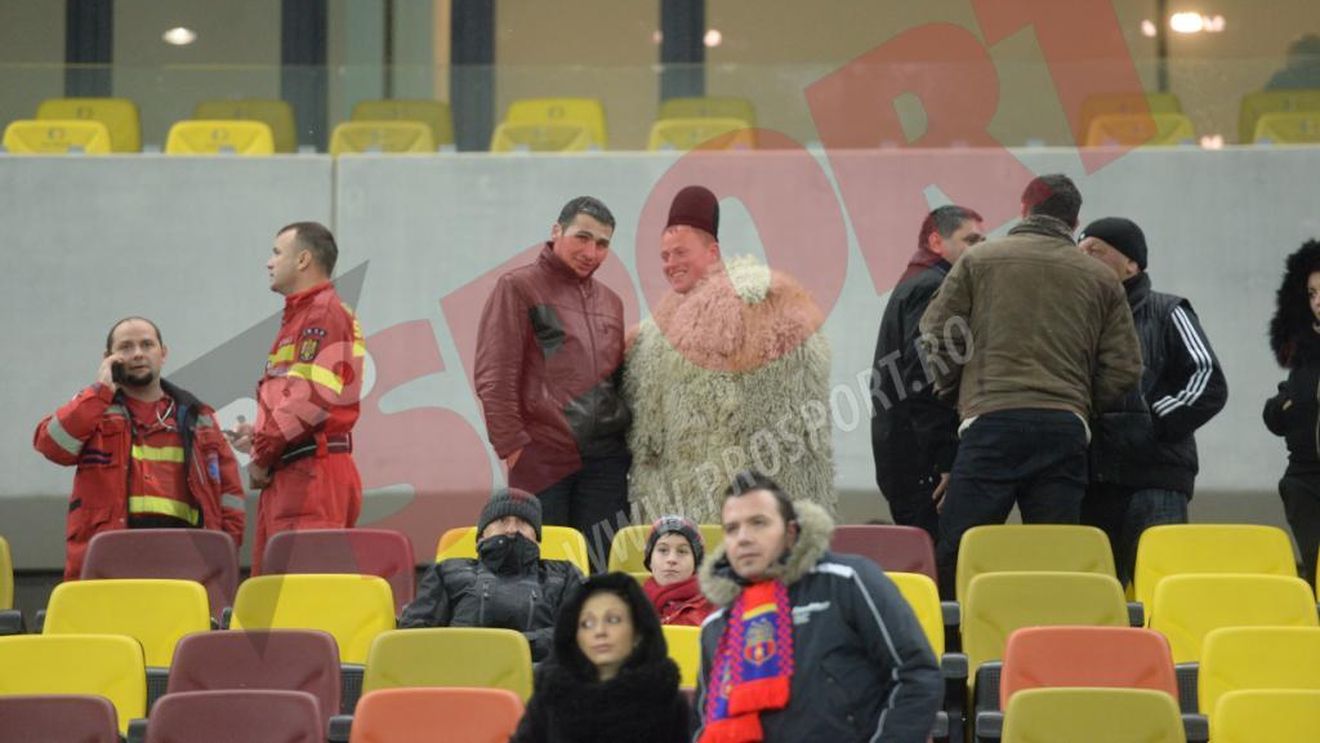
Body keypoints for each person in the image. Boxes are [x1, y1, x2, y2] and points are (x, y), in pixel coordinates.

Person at [918, 174, 1143, 596]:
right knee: (1055, 556)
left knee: (961, 550)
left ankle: (955, 652)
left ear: (1023, 210)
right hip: (1064, 429)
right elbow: (1125, 366)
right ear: (1075, 221)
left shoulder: (980, 261)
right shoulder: (1099, 277)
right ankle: (1049, 650)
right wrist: (1080, 401)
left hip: (990, 423)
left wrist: (957, 392)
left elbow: (936, 331)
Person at [624, 186, 834, 525]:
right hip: (679, 506)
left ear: (712, 252)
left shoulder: (751, 297)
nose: (670, 264)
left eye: (680, 252)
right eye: (664, 256)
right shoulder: (660, 325)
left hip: (731, 495)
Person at [693, 471, 941, 742]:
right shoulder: (716, 625)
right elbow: (704, 724)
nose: (743, 537)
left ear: (790, 532)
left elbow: (916, 674)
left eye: (758, 523)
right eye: (732, 528)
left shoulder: (848, 581)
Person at [475, 196, 632, 571]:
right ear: (556, 231)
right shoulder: (518, 287)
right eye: (582, 237)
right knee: (544, 573)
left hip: (606, 463)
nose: (591, 251)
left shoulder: (612, 302)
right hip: (543, 458)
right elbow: (494, 374)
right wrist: (513, 447)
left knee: (601, 572)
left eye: (603, 244)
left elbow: (618, 381)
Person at [35, 317, 246, 580]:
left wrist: (223, 551)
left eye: (147, 345)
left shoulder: (198, 416)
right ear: (108, 357)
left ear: (163, 353)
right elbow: (51, 446)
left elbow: (230, 494)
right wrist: (100, 390)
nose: (137, 354)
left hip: (187, 559)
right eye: (125, 347)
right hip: (110, 557)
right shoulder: (92, 408)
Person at [1078, 217, 1228, 587]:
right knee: (1092, 597)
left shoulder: (1168, 310)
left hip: (1155, 478)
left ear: (1132, 264)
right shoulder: (1071, 317)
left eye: (1095, 250)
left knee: (1159, 589)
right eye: (1078, 252)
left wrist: (1151, 423)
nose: (1083, 259)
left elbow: (1207, 380)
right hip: (1087, 482)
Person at [232, 222, 365, 574]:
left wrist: (261, 453)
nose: (268, 262)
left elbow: (309, 402)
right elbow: (295, 399)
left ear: (303, 259)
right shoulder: (305, 316)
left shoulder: (321, 313)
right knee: (277, 596)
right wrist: (259, 436)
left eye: (277, 252)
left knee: (301, 597)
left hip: (310, 475)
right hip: (293, 469)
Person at [871, 205, 984, 538]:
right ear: (937, 241)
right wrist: (946, 459)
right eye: (971, 240)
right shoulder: (933, 287)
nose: (980, 249)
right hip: (923, 461)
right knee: (939, 564)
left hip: (907, 453)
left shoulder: (916, 281)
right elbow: (923, 378)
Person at [399, 488, 583, 662]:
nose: (512, 529)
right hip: (460, 674)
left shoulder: (564, 574)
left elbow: (580, 633)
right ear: (481, 535)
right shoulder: (447, 571)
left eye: (523, 522)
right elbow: (415, 633)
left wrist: (510, 646)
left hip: (539, 677)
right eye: (502, 520)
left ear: (537, 538)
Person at [512, 571, 690, 742]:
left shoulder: (665, 697)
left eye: (613, 620)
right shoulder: (551, 694)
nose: (599, 632)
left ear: (638, 632)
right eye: (587, 623)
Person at [1265, 239, 1320, 582]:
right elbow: (1277, 415)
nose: (1318, 302)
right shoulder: (1306, 351)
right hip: (1305, 479)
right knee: (1315, 571)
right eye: (1312, 294)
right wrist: (1285, 405)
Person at [641, 515, 713, 626]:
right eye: (663, 550)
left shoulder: (714, 613)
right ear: (649, 559)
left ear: (696, 563)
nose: (671, 559)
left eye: (682, 551)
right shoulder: (629, 605)